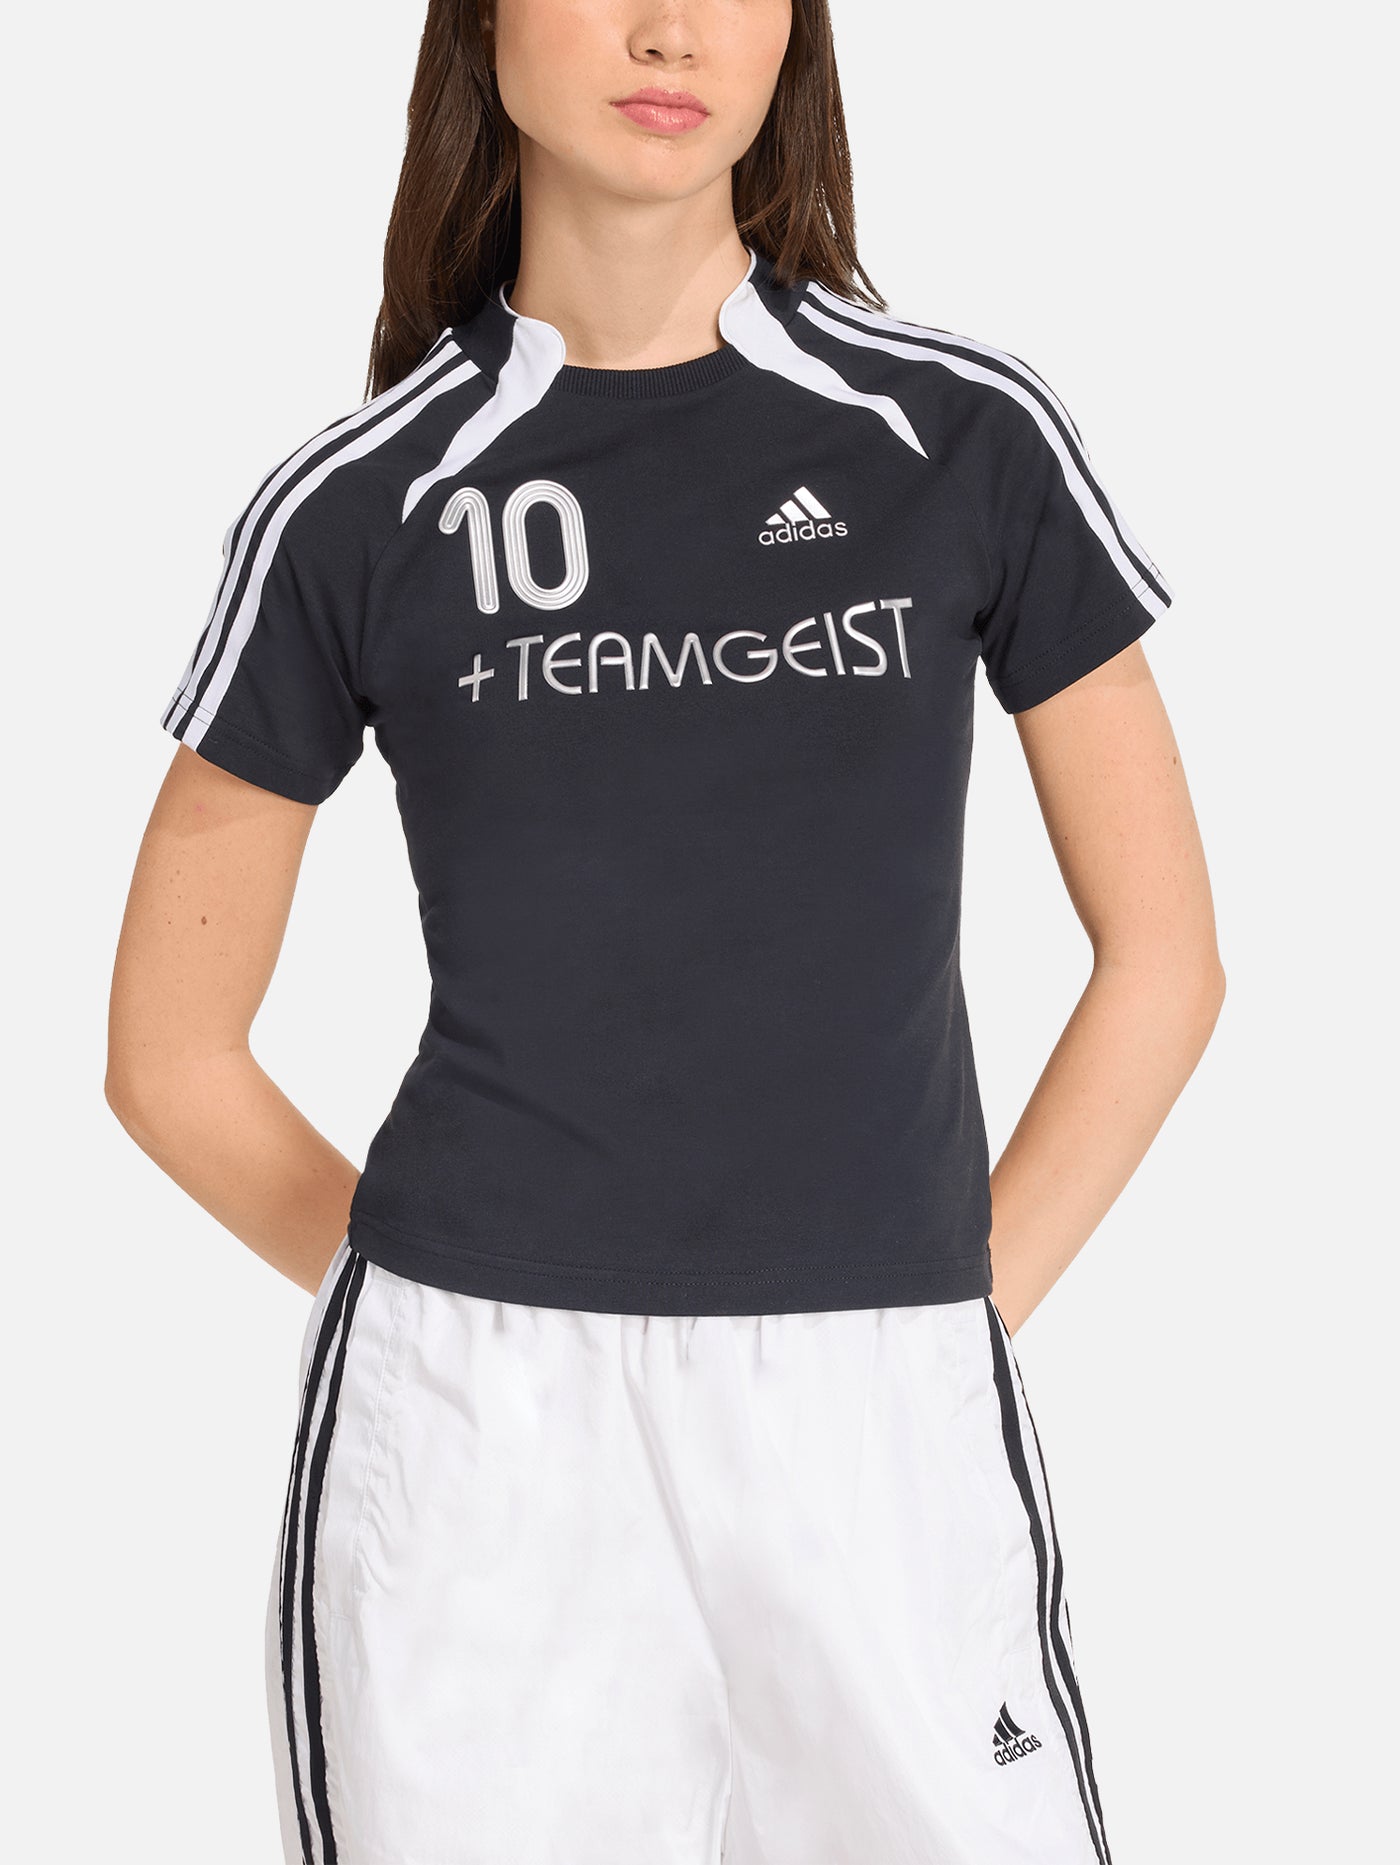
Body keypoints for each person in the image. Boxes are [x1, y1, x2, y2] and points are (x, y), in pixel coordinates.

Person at [104, 1, 1225, 1860]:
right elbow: (168, 1056)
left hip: (885, 1391)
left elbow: (1166, 956)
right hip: (484, 1440)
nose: (668, 29)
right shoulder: (362, 505)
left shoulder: (958, 437)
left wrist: (955, 1300)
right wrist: (445, 1308)